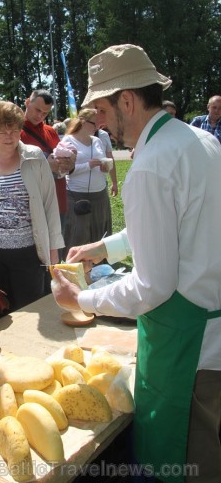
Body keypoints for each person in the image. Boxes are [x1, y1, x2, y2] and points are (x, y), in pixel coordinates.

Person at [51, 44, 221, 483]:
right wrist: (104, 248)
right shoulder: (197, 140)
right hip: (209, 325)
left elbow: (153, 286)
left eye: (103, 110)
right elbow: (175, 227)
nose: (100, 122)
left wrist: (82, 298)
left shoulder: (149, 165)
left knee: (182, 461)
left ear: (127, 100)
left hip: (186, 348)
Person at [0, 100, 64, 312]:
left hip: (28, 253)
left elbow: (50, 207)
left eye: (15, 130)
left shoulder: (35, 158)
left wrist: (54, 256)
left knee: (31, 312)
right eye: (2, 131)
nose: (10, 137)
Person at [20, 90, 76, 229]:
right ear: (27, 102)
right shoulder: (15, 132)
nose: (40, 116)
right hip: (33, 207)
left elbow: (64, 162)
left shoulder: (50, 131)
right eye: (37, 110)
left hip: (58, 202)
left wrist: (70, 164)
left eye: (45, 113)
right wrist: (45, 166)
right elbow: (11, 171)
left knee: (58, 250)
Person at [61, 108, 113, 256]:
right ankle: (76, 264)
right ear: (82, 121)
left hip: (99, 194)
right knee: (78, 233)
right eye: (94, 123)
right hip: (77, 194)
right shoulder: (68, 141)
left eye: (99, 124)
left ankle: (99, 263)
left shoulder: (97, 140)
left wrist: (105, 166)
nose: (97, 127)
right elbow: (64, 169)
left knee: (98, 231)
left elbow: (103, 165)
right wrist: (88, 165)